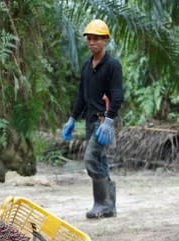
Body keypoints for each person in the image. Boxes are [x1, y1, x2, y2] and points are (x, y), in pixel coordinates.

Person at [61, 19, 123, 219]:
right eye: (89, 38)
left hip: (103, 122)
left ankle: (100, 203)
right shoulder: (87, 66)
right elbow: (82, 95)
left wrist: (109, 121)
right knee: (100, 160)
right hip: (90, 121)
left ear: (105, 40)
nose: (92, 42)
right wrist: (72, 118)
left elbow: (117, 95)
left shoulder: (113, 65)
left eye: (97, 38)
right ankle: (109, 206)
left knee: (90, 160)